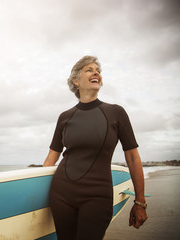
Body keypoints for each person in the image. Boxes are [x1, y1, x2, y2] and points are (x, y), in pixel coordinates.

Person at [43, 56, 148, 240]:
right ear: (76, 81)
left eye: (98, 70)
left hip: (97, 196)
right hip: (61, 195)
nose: (96, 73)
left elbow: (132, 157)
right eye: (89, 70)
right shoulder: (65, 117)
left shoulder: (116, 113)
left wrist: (140, 201)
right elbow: (52, 157)